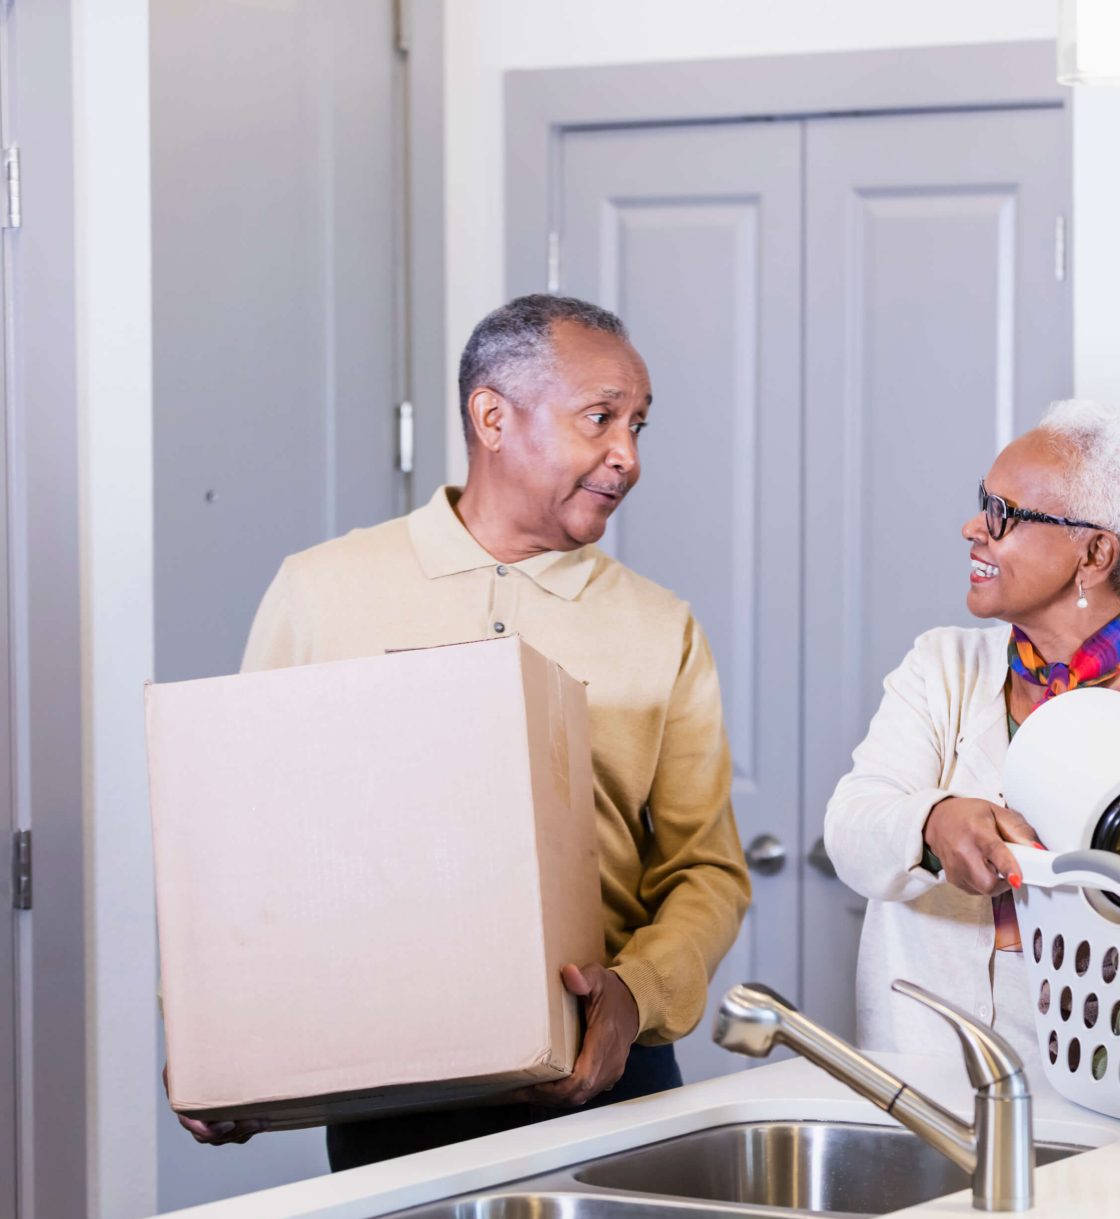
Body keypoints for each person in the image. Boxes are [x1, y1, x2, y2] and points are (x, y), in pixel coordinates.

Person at [177, 294, 749, 1170]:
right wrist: (219, 1035)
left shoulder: (659, 627)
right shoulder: (322, 592)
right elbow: (245, 846)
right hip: (392, 1084)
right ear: (492, 416)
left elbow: (705, 870)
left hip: (609, 1076)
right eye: (599, 418)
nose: (627, 455)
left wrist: (633, 997)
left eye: (638, 424)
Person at [823, 400, 1120, 1063]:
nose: (973, 528)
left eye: (1004, 515)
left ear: (1095, 552)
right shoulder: (941, 670)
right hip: (921, 1088)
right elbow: (851, 827)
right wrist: (933, 823)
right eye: (981, 502)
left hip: (1107, 1103)